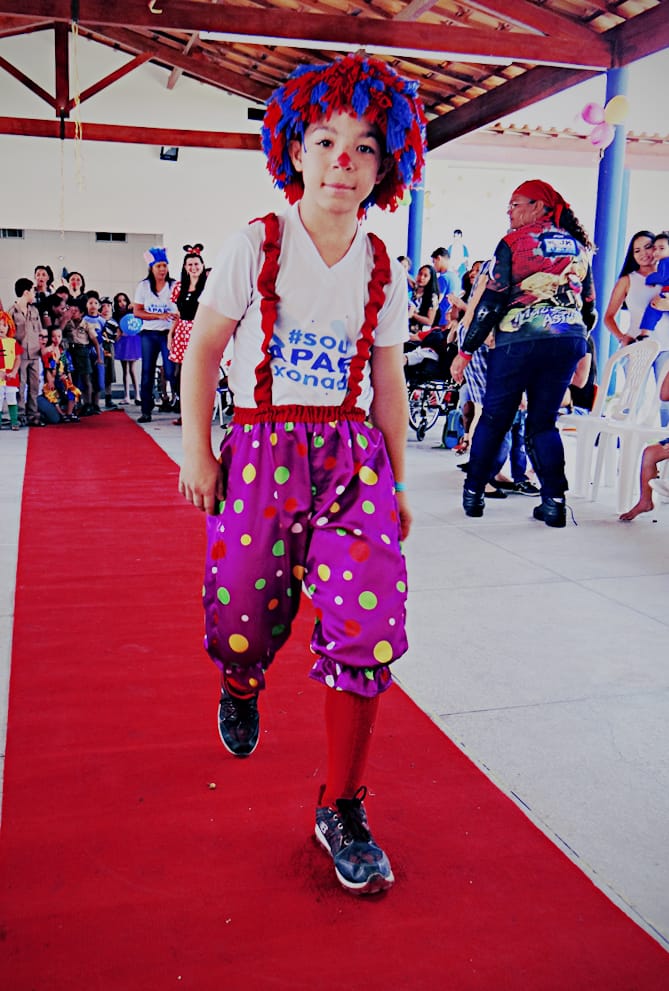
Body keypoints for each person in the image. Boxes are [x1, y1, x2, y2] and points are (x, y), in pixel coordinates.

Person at [178, 52, 425, 895]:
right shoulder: (257, 242)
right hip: (261, 452)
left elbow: (388, 380)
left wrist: (398, 483)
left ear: (386, 165)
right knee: (242, 615)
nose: (341, 161)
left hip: (352, 460)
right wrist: (198, 450)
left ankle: (341, 805)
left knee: (367, 623)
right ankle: (240, 681)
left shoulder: (383, 264)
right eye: (324, 141)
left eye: (364, 146)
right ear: (294, 149)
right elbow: (204, 349)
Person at [451, 179, 596, 528]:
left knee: (494, 418)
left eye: (516, 203)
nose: (509, 210)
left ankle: (474, 495)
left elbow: (491, 302)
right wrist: (570, 336)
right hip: (567, 338)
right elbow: (589, 306)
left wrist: (466, 352)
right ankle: (554, 503)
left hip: (519, 340)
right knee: (543, 423)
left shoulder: (514, 242)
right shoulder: (577, 247)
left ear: (539, 206)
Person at [133, 248, 178, 423]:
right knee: (147, 372)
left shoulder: (174, 285)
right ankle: (146, 409)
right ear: (151, 268)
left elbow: (181, 308)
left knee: (171, 371)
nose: (162, 269)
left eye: (165, 265)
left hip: (168, 334)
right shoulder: (143, 286)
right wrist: (158, 316)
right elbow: (137, 311)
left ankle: (179, 402)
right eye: (159, 266)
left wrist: (176, 317)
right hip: (149, 334)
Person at [168, 244, 208, 426]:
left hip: (200, 332)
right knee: (180, 376)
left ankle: (201, 414)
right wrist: (171, 334)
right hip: (182, 333)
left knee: (199, 375)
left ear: (202, 265)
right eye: (190, 264)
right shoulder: (179, 287)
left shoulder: (208, 286)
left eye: (196, 264)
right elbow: (178, 315)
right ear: (185, 267)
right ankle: (185, 413)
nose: (193, 268)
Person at [8, 277, 43, 427]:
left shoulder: (34, 310)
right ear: (26, 292)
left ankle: (33, 414)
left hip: (34, 354)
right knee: (20, 385)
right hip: (19, 355)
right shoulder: (12, 311)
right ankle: (20, 414)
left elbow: (40, 332)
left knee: (34, 385)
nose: (34, 293)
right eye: (33, 290)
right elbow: (8, 334)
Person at [112, 292, 140, 404]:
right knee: (125, 370)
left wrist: (135, 306)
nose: (122, 303)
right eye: (119, 301)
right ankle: (126, 396)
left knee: (132, 369)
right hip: (122, 342)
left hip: (132, 341)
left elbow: (139, 321)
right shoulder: (115, 315)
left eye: (124, 300)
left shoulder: (132, 311)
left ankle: (137, 395)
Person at [0, 309, 22, 430]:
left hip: (11, 376)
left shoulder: (13, 342)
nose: (1, 328)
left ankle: (14, 421)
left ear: (9, 326)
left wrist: (14, 371)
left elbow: (18, 358)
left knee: (12, 398)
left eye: (4, 325)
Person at [430, 246, 462, 326]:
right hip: (451, 319)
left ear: (439, 258)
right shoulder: (456, 277)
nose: (434, 265)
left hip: (441, 320)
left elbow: (436, 301)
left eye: (434, 262)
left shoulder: (443, 278)